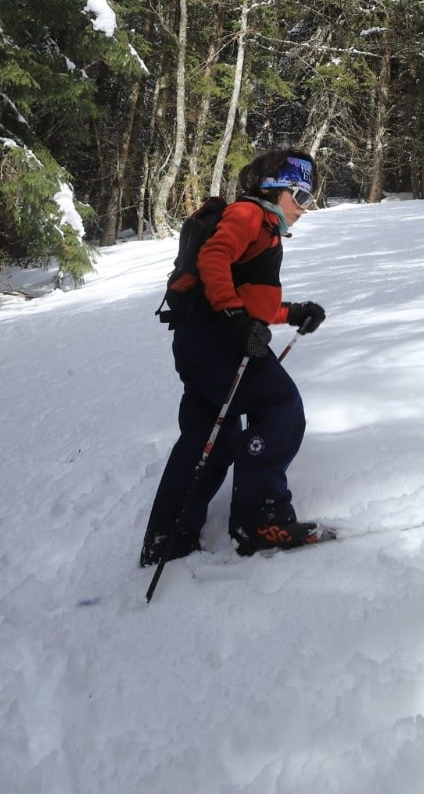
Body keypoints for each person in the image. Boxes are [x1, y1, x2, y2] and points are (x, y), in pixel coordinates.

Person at [139, 149, 330, 566]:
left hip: (201, 340)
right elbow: (214, 259)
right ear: (272, 189)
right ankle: (261, 521)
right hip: (217, 341)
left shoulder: (263, 226)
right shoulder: (248, 215)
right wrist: (235, 320)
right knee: (280, 406)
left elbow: (246, 299)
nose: (304, 208)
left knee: (210, 438)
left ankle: (169, 541)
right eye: (299, 196)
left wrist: (291, 313)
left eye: (309, 198)